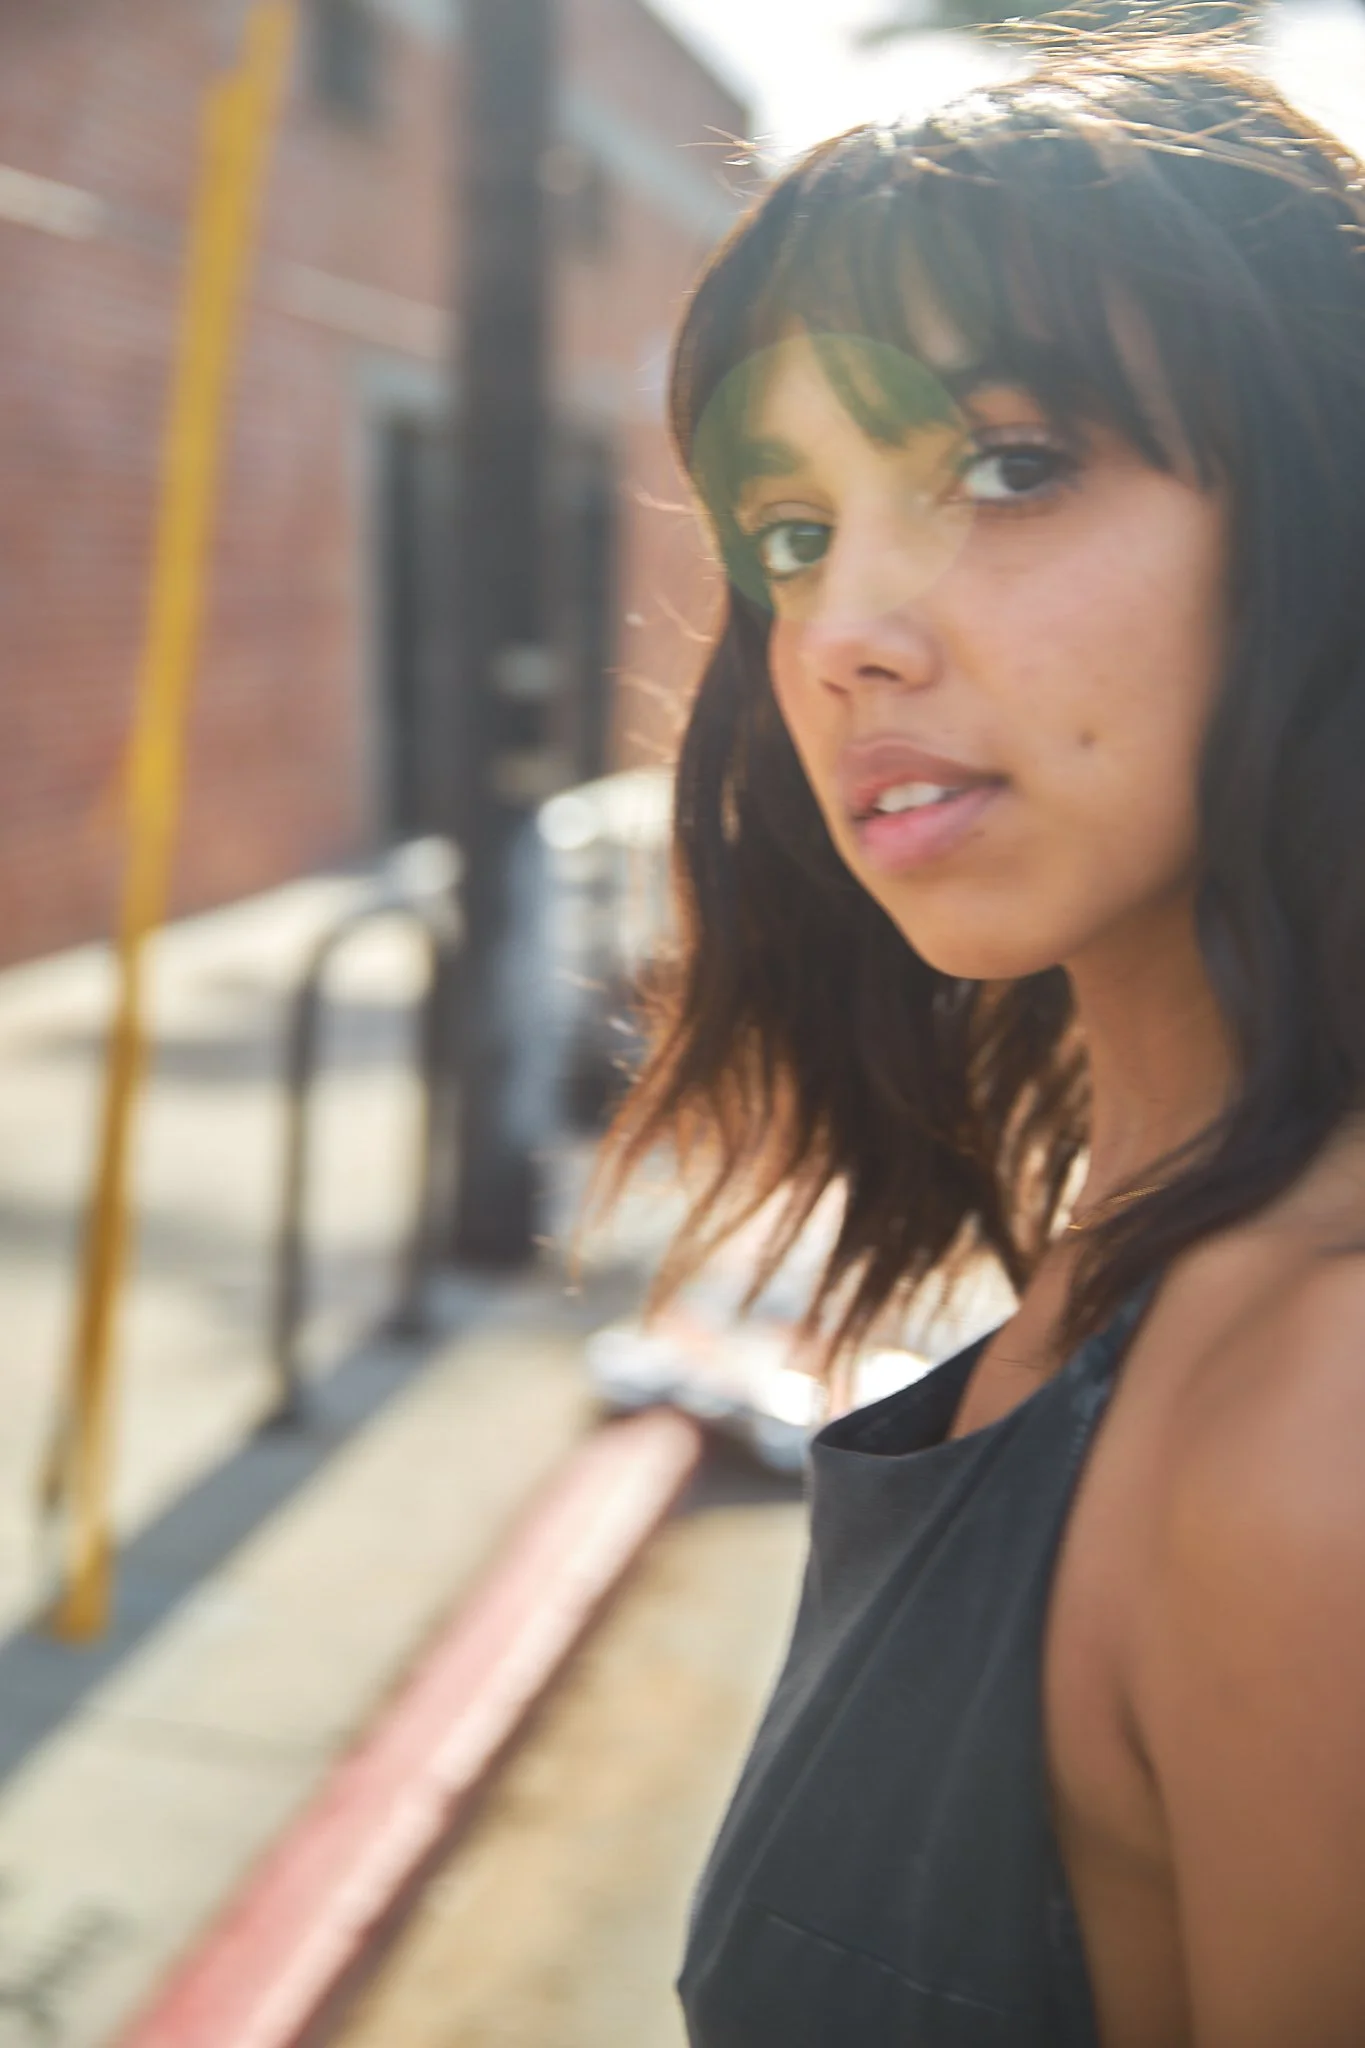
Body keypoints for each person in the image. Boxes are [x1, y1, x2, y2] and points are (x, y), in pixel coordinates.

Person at [598, 29, 1365, 2048]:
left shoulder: (1318, 1420)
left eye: (1009, 466)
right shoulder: (1151, 1253)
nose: (846, 627)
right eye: (791, 531)